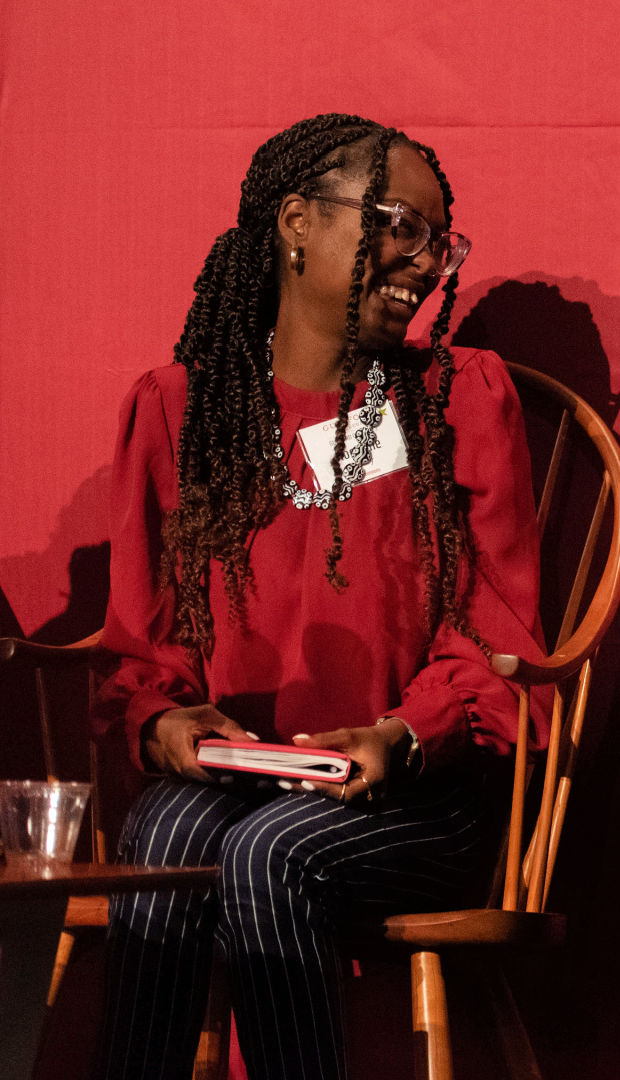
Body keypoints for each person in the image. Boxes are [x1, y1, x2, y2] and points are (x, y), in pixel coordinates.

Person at [93, 114, 544, 1080]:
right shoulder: (184, 410)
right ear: (297, 221)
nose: (422, 262)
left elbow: (494, 635)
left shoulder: (455, 401)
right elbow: (146, 644)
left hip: (418, 791)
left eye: (437, 239)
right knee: (164, 833)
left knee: (271, 851)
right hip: (230, 781)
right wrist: (164, 724)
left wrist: (403, 735)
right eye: (395, 224)